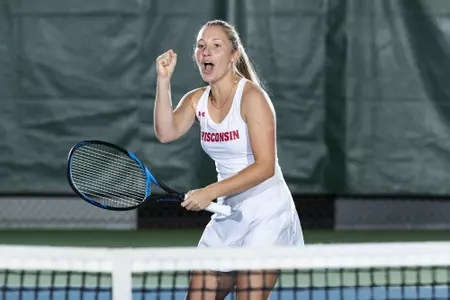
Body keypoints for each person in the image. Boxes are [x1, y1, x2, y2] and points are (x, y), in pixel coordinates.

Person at [153, 19, 304, 300]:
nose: (206, 52)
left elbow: (265, 167)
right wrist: (163, 80)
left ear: (234, 55)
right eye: (201, 46)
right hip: (229, 214)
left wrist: (210, 192)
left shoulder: (252, 98)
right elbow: (165, 132)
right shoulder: (196, 100)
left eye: (216, 46)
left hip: (267, 214)